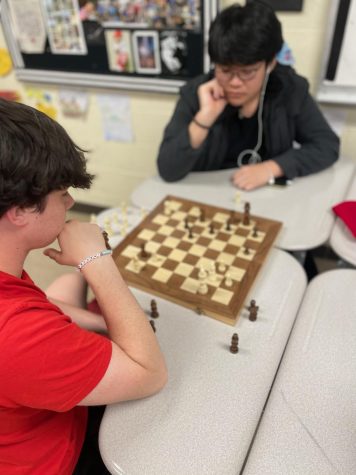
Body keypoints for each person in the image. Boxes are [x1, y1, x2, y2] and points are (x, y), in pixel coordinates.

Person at [0, 98, 167, 474]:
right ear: (21, 210)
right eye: (62, 194)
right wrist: (97, 261)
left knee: (62, 285)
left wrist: (95, 324)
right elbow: (150, 373)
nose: (72, 201)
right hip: (63, 458)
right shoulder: (16, 334)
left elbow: (39, 311)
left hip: (30, 405)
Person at [157, 1, 340, 190]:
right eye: (225, 70)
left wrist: (271, 168)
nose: (235, 82)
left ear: (270, 64)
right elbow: (168, 169)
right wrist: (204, 118)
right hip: (209, 196)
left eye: (247, 72)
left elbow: (327, 145)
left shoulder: (290, 89)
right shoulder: (197, 93)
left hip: (267, 198)